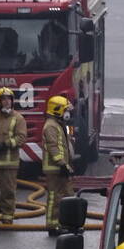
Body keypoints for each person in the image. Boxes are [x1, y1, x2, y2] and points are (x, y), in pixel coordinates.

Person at [0, 87, 27, 225]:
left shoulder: (18, 118)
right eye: (3, 99)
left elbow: (21, 138)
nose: (6, 102)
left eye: (9, 99)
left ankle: (7, 216)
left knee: (8, 191)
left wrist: (6, 144)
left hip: (10, 162)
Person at [41, 93, 74, 236]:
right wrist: (62, 164)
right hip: (54, 168)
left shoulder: (58, 125)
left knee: (68, 195)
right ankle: (52, 225)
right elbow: (54, 147)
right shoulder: (51, 127)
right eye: (65, 110)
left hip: (60, 167)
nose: (67, 113)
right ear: (57, 110)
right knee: (54, 197)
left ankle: (67, 223)